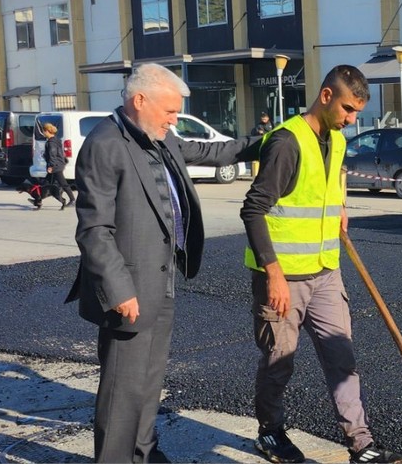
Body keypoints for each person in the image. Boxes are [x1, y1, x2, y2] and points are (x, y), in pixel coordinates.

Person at [68, 63, 260, 463]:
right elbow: (94, 229)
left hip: (163, 279)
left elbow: (211, 151)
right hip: (130, 290)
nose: (175, 120)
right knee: (122, 388)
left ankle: (143, 452)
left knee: (149, 381)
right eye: (170, 111)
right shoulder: (105, 144)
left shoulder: (161, 137)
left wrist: (264, 141)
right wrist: (119, 290)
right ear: (140, 100)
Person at [242, 65, 402, 464]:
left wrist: (342, 206)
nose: (352, 120)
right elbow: (253, 210)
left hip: (326, 270)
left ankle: (361, 445)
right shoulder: (286, 142)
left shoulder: (335, 139)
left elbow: (332, 181)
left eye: (357, 114)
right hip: (283, 278)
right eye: (349, 110)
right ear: (326, 96)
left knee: (342, 357)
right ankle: (270, 432)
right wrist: (274, 275)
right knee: (279, 362)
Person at [42, 122, 76, 210]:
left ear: (47, 131)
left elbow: (52, 154)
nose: (43, 133)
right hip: (59, 164)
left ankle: (72, 199)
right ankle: (38, 199)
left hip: (55, 166)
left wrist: (51, 166)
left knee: (63, 183)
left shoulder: (51, 142)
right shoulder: (56, 140)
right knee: (46, 183)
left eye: (44, 131)